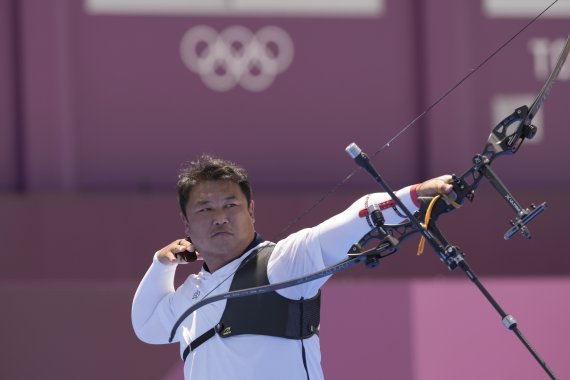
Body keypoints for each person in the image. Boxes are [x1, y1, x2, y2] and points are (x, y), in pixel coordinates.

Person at [131, 154, 453, 380]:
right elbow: (147, 328)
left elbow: (353, 219)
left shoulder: (280, 264)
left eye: (231, 205)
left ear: (251, 211)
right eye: (205, 209)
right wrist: (161, 264)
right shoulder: (192, 292)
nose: (220, 217)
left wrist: (413, 197)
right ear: (186, 223)